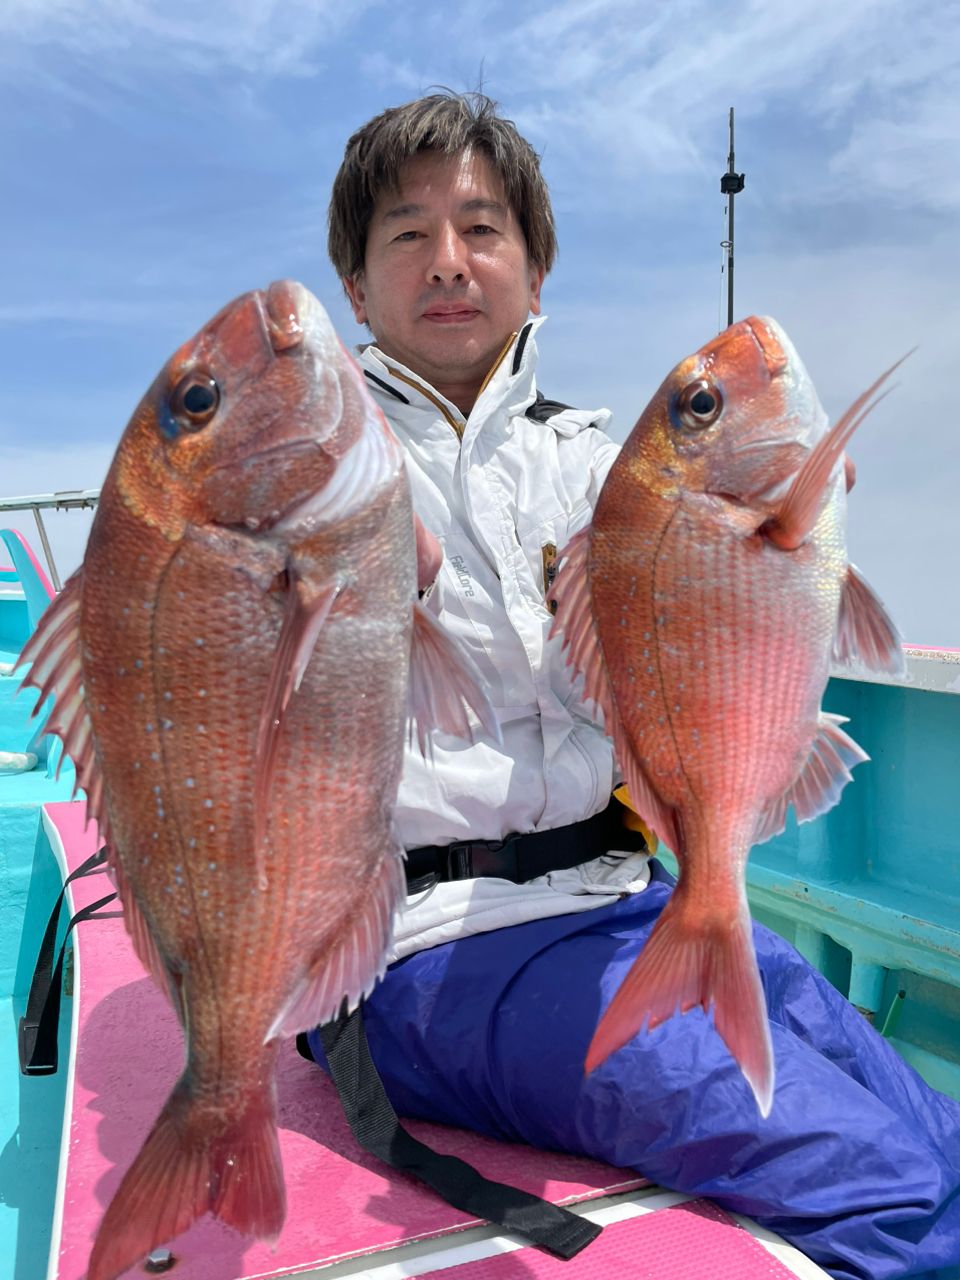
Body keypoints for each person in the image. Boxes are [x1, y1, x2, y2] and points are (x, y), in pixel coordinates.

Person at [306, 92, 960, 1280]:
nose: (450, 261)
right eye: (406, 233)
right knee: (887, 1190)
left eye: (484, 227)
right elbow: (193, 655)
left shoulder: (613, 470)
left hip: (630, 898)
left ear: (538, 270)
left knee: (935, 1126)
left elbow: (702, 650)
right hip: (428, 952)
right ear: (356, 286)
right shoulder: (310, 466)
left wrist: (790, 528)